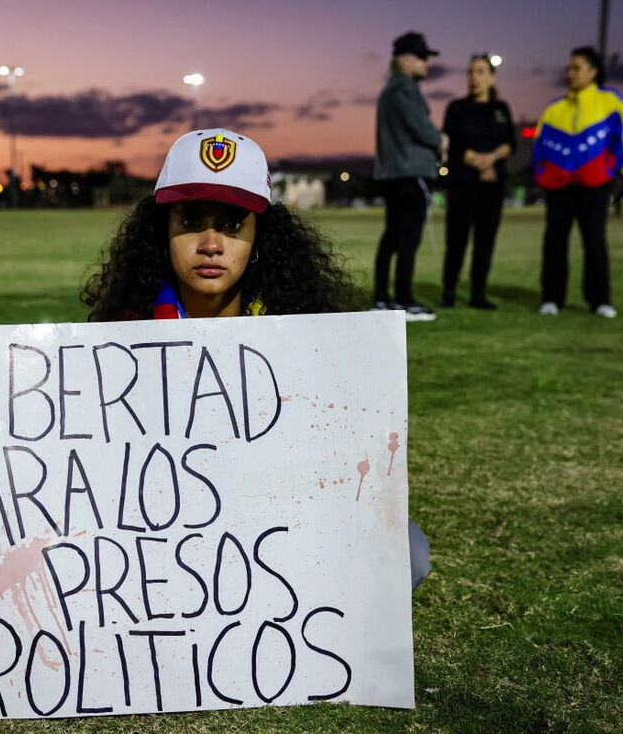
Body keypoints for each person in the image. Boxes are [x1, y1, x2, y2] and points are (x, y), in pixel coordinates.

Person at [82, 128, 432, 589]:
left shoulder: (304, 327)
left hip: (273, 515)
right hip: (161, 527)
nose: (211, 243)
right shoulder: (122, 330)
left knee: (408, 553)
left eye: (231, 225)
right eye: (190, 222)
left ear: (259, 236)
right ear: (161, 233)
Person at [532, 45, 623, 318]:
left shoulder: (611, 103)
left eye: (576, 68)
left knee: (594, 241)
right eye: (569, 68)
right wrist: (545, 176)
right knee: (554, 242)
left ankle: (600, 300)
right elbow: (538, 147)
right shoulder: (554, 110)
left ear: (593, 71)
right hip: (559, 189)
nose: (570, 73)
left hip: (594, 187)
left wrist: (608, 173)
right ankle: (552, 298)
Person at [372, 32, 448, 322]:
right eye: (422, 56)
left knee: (392, 236)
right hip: (410, 173)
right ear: (404, 59)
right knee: (407, 238)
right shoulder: (404, 88)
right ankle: (404, 300)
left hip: (393, 174)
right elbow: (420, 127)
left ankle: (382, 297)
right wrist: (441, 140)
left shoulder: (389, 89)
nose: (427, 63)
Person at [439, 54, 516, 310]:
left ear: (491, 77)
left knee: (485, 241)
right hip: (462, 184)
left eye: (481, 72)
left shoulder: (501, 109)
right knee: (457, 239)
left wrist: (491, 159)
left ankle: (478, 293)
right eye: (471, 72)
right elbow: (453, 143)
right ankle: (449, 290)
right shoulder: (456, 108)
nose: (474, 77)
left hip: (492, 186)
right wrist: (477, 162)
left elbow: (510, 143)